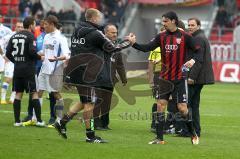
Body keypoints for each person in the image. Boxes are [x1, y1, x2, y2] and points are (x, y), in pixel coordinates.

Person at [54, 8, 130, 143]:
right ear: (94, 18)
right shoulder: (95, 33)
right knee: (90, 103)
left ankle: (62, 123)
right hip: (87, 73)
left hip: (77, 71)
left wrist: (67, 75)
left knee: (84, 101)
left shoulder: (76, 32)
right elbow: (113, 48)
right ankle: (90, 135)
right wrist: (129, 42)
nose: (100, 20)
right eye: (99, 18)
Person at [126, 11, 201, 145]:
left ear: (173, 21)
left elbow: (199, 51)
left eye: (165, 21)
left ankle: (193, 133)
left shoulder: (185, 36)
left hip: (179, 78)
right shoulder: (161, 36)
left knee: (182, 108)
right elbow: (146, 48)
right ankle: (160, 138)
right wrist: (133, 43)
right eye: (163, 21)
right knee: (160, 106)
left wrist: (193, 61)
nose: (163, 23)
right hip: (164, 78)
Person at [6, 16, 44, 127]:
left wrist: (16, 61)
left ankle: (17, 121)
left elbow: (8, 53)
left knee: (18, 94)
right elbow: (32, 52)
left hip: (17, 70)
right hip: (28, 70)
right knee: (34, 93)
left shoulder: (14, 36)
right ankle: (39, 121)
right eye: (34, 24)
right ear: (31, 25)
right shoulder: (31, 36)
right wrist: (39, 57)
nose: (35, 26)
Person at [94, 23, 127, 130]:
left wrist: (123, 78)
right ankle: (96, 124)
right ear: (106, 32)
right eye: (112, 32)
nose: (115, 35)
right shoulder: (99, 44)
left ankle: (105, 123)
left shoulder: (116, 47)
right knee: (98, 101)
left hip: (110, 79)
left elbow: (120, 64)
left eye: (116, 33)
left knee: (107, 102)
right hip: (98, 78)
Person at [38, 15, 70, 125]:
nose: (44, 26)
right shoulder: (46, 36)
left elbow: (66, 55)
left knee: (56, 94)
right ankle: (36, 118)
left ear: (52, 24)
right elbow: (44, 52)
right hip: (44, 69)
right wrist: (34, 54)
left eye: (46, 24)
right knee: (38, 92)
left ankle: (59, 119)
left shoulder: (61, 38)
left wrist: (56, 58)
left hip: (54, 71)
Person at [187, 17, 214, 137]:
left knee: (189, 104)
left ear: (198, 26)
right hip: (200, 77)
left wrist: (192, 77)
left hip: (197, 78)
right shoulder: (200, 37)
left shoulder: (197, 38)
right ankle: (195, 130)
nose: (190, 27)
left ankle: (192, 130)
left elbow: (198, 60)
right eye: (189, 25)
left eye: (192, 25)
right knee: (194, 104)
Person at [0, 22, 24, 105]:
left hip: (20, 61)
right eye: (18, 27)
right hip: (10, 61)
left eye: (21, 27)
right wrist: (3, 55)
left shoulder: (25, 37)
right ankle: (2, 98)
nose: (20, 28)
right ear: (15, 27)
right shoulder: (10, 35)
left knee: (17, 80)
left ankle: (12, 98)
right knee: (8, 79)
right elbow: (0, 43)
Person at [0, 15, 12, 96]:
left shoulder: (6, 29)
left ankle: (11, 92)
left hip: (3, 53)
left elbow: (12, 37)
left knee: (4, 72)